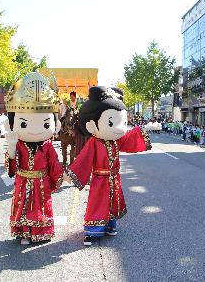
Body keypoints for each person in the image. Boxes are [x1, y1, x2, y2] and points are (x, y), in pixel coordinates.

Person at [66, 86, 157, 246]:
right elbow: (84, 159)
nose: (119, 128)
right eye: (111, 122)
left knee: (113, 202)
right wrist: (72, 174)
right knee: (97, 203)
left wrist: (145, 128)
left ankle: (109, 225)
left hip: (114, 178)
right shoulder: (95, 142)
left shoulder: (116, 140)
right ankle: (92, 231)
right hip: (100, 179)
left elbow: (129, 137)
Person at [4, 72, 64, 245]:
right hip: (23, 181)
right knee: (23, 205)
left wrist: (63, 175)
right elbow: (11, 167)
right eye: (23, 123)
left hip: (41, 182)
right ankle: (23, 232)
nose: (36, 130)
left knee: (40, 206)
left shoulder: (47, 145)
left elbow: (54, 164)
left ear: (55, 124)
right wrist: (11, 148)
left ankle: (41, 231)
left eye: (46, 124)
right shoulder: (19, 144)